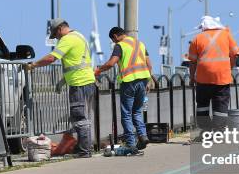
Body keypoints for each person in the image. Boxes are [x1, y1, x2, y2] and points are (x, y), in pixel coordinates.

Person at [26, 18, 95, 158]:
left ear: (59, 29)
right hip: (87, 80)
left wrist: (33, 65)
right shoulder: (79, 36)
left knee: (79, 117)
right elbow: (77, 62)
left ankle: (84, 150)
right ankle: (85, 148)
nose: (56, 38)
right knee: (83, 117)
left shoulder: (67, 39)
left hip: (79, 83)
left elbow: (52, 58)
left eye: (55, 35)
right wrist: (62, 81)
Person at [95, 27, 154, 155]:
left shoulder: (120, 46)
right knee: (137, 111)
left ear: (115, 36)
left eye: (113, 40)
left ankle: (131, 144)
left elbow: (111, 63)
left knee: (126, 114)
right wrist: (148, 81)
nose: (114, 43)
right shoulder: (140, 44)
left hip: (129, 82)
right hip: (143, 80)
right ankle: (143, 136)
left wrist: (98, 70)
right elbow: (149, 65)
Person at [188, 16, 239, 131]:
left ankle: (205, 131)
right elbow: (235, 54)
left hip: (203, 80)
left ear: (203, 26)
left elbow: (192, 62)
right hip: (222, 78)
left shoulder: (197, 38)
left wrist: (192, 78)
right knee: (221, 106)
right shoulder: (226, 35)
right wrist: (229, 68)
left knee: (202, 105)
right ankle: (218, 131)